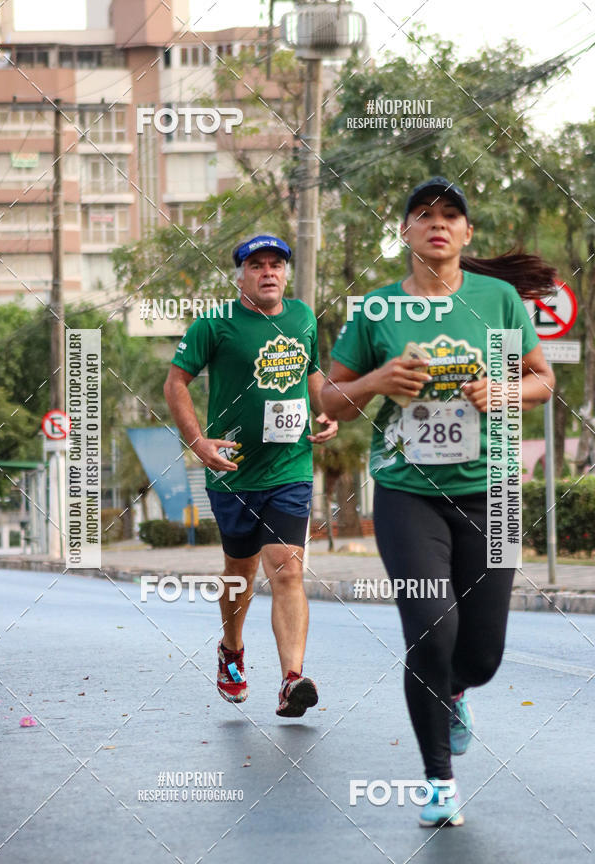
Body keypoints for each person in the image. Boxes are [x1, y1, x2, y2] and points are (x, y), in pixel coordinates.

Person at [321, 177, 555, 826]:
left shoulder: (498, 301)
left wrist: (504, 393)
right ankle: (438, 784)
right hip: (407, 494)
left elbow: (541, 379)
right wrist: (375, 380)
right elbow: (329, 398)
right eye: (423, 215)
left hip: (496, 492)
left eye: (451, 215)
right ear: (404, 232)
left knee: (479, 656)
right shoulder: (377, 313)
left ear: (466, 233)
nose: (437, 223)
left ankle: (456, 692)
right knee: (431, 631)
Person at [164, 234, 338, 717]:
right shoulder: (214, 324)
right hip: (233, 471)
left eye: (276, 264)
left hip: (290, 468)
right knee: (239, 573)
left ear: (285, 272)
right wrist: (198, 442)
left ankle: (291, 679)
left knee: (287, 567)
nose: (268, 272)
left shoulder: (303, 318)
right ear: (239, 274)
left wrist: (327, 410)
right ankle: (232, 649)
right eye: (256, 264)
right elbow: (176, 381)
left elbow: (312, 375)